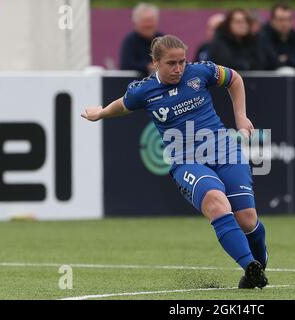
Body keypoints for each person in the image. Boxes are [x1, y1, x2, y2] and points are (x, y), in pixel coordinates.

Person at [81, 35, 269, 289]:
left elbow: (234, 78)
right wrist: (100, 113)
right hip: (187, 161)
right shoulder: (143, 90)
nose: (178, 68)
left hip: (225, 152)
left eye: (182, 61)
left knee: (246, 218)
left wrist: (241, 117)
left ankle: (257, 268)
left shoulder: (200, 72)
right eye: (171, 63)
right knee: (216, 201)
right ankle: (249, 264)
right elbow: (123, 106)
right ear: (155, 62)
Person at [258, 2, 295, 71]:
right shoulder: (263, 35)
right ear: (272, 21)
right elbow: (269, 64)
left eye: (288, 19)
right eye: (281, 20)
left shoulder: (293, 35)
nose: (285, 24)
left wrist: (287, 59)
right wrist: (292, 60)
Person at [119, 3, 163, 77]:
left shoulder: (162, 40)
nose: (148, 25)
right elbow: (126, 65)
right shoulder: (130, 41)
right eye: (145, 21)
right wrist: (148, 67)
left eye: (151, 20)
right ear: (136, 22)